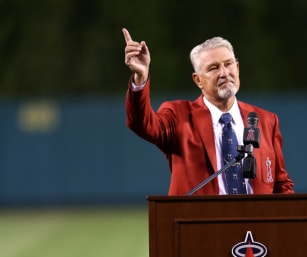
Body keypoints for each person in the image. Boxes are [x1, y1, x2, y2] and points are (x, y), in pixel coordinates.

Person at [122, 28, 294, 195]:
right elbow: (141, 123)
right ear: (198, 80)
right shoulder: (179, 115)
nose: (224, 73)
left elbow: (281, 184)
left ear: (238, 68)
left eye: (228, 64)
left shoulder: (266, 120)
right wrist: (140, 77)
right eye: (213, 68)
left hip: (254, 222)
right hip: (200, 222)